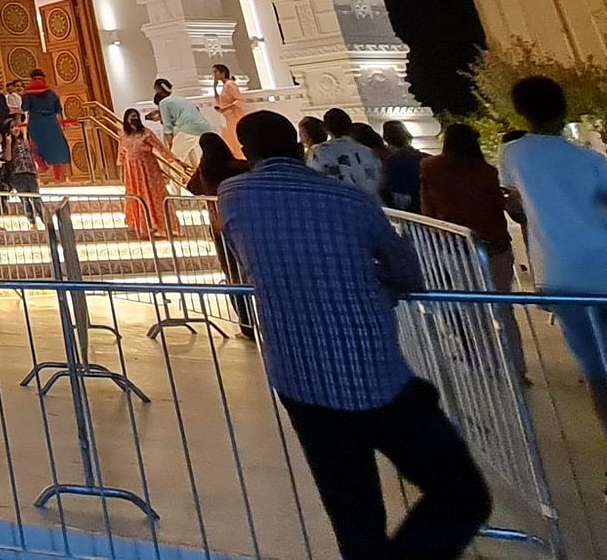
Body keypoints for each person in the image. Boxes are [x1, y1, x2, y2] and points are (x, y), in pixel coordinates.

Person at [220, 109, 492, 558]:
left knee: (352, 513)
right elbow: (407, 274)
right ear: (299, 146)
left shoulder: (232, 196)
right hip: (371, 371)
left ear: (247, 153)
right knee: (462, 494)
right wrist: (371, 279)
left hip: (297, 372)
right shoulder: (351, 201)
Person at [499, 77, 607, 450]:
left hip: (559, 273)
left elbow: (515, 203)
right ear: (564, 108)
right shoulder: (591, 160)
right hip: (602, 264)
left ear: (521, 111)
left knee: (593, 366)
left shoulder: (514, 155)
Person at [421, 123, 525, 376]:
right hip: (495, 244)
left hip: (455, 247)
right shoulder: (485, 171)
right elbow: (497, 205)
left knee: (473, 310)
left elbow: (428, 209)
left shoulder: (431, 169)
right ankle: (516, 367)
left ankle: (488, 364)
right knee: (503, 307)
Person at [188, 133, 254, 338]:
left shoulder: (206, 171)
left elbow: (192, 188)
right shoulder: (240, 166)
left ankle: (246, 323)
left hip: (220, 226)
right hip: (247, 222)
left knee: (233, 274)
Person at [117, 108, 172, 239]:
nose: (134, 119)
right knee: (137, 195)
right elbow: (121, 154)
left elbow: (160, 147)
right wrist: (121, 171)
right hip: (132, 172)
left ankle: (158, 225)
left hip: (148, 169)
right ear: (126, 120)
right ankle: (143, 227)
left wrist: (173, 160)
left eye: (136, 116)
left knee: (151, 194)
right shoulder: (123, 136)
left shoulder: (146, 133)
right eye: (131, 117)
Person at [307, 107, 383, 196]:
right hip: (369, 199)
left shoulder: (319, 151)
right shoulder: (368, 151)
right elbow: (379, 180)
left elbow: (315, 178)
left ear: (326, 128)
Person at [149, 77, 217, 168]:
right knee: (196, 156)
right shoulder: (179, 98)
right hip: (204, 128)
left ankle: (176, 177)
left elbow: (167, 126)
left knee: (175, 158)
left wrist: (170, 143)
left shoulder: (163, 103)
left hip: (188, 129)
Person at [21, 69, 72, 184]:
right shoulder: (51, 93)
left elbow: (24, 108)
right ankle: (59, 178)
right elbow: (58, 109)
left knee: (34, 147)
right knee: (55, 149)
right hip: (51, 123)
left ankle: (43, 168)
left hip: (36, 124)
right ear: (43, 78)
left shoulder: (28, 93)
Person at [2, 115, 44, 227]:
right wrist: (8, 143)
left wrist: (36, 172)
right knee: (25, 199)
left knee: (36, 198)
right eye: (12, 127)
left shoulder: (24, 141)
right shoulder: (8, 144)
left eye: (16, 126)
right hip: (18, 175)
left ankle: (45, 220)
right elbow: (8, 158)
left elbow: (30, 157)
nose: (15, 129)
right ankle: (32, 222)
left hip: (30, 173)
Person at [378, 120, 425, 212]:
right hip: (421, 201)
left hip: (404, 205)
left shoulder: (390, 160)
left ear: (386, 138)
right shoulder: (423, 157)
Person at [212, 63, 246, 156]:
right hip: (227, 117)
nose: (214, 75)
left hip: (234, 117)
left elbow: (239, 100)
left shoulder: (230, 85)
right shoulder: (224, 86)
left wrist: (225, 108)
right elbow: (219, 101)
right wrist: (214, 88)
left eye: (215, 72)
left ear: (222, 73)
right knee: (229, 139)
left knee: (235, 139)